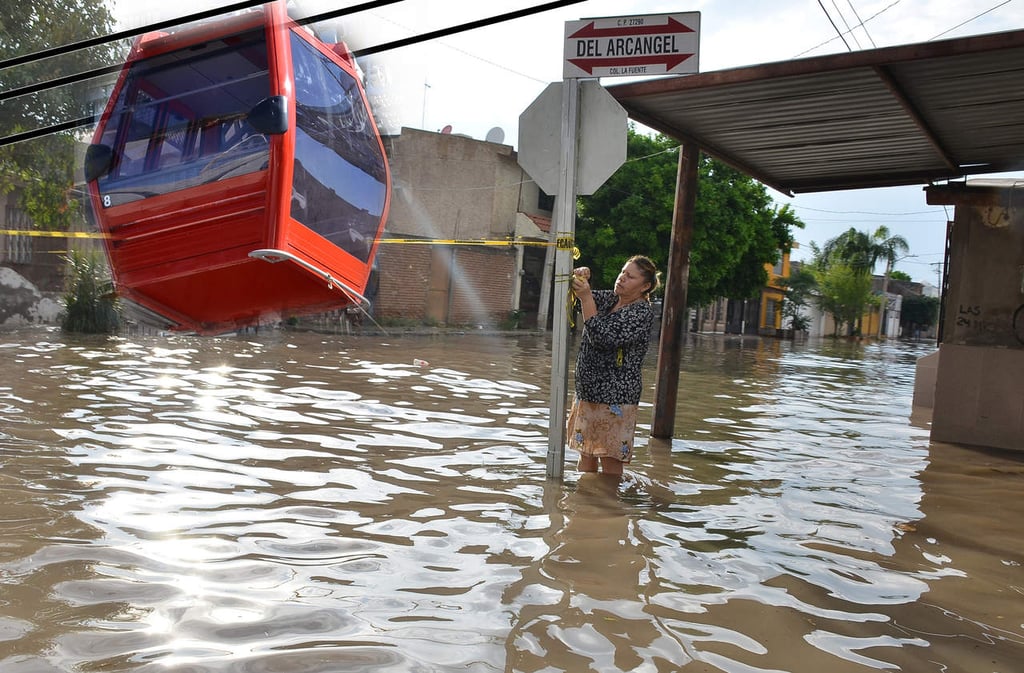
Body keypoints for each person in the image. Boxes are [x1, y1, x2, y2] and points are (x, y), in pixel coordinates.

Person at [567, 255, 662, 476]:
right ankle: (584, 505)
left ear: (645, 286)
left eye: (630, 277)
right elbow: (578, 293)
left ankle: (609, 505)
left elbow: (602, 337)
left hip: (615, 398)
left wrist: (585, 298)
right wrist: (579, 276)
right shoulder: (611, 299)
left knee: (610, 460)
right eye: (622, 272)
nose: (621, 278)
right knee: (586, 454)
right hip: (588, 391)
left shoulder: (641, 313)